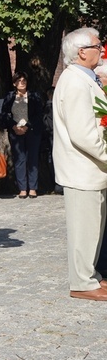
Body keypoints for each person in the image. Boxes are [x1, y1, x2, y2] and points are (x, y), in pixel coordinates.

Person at [53, 27, 107, 301]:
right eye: (98, 46)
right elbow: (83, 133)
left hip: (90, 169)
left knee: (93, 226)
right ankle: (82, 283)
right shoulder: (74, 81)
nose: (102, 49)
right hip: (82, 168)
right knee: (83, 228)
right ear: (81, 52)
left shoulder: (86, 78)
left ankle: (90, 276)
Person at [1, 71, 45, 198]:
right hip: (15, 131)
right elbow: (5, 114)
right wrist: (14, 126)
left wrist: (27, 126)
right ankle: (22, 188)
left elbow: (38, 114)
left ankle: (32, 188)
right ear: (15, 83)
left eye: (24, 81)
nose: (22, 83)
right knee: (20, 159)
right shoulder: (10, 97)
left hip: (31, 131)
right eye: (19, 81)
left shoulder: (34, 96)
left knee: (32, 159)